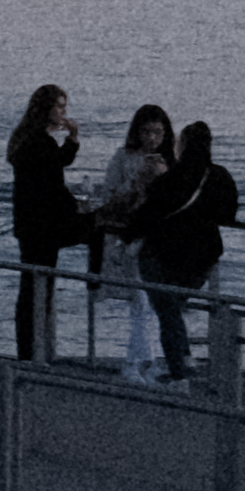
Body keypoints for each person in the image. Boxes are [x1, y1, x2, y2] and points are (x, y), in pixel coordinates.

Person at [131, 118, 235, 383]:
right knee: (173, 309)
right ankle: (183, 358)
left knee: (167, 311)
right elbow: (228, 214)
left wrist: (151, 182)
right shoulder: (220, 176)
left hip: (163, 253)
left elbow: (145, 215)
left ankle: (179, 369)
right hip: (203, 257)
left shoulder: (172, 177)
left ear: (183, 144)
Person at [85, 104, 174, 374]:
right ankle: (140, 363)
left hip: (160, 237)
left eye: (157, 133)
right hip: (129, 236)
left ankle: (144, 362)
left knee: (157, 302)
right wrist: (138, 182)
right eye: (146, 132)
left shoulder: (171, 161)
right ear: (137, 132)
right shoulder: (123, 158)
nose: (151, 139)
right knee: (140, 299)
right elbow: (109, 199)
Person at [4, 84, 86, 360]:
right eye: (60, 107)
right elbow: (55, 170)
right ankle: (33, 350)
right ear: (47, 108)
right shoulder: (39, 141)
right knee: (38, 288)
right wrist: (73, 139)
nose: (64, 112)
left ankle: (31, 348)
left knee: (31, 287)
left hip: (28, 223)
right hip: (43, 224)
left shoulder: (24, 138)